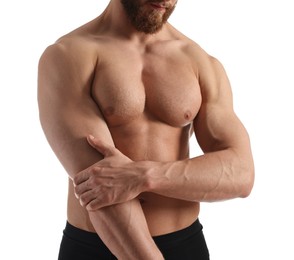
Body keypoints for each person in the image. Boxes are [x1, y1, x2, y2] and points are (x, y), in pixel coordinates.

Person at [38, 0, 255, 259]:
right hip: (97, 247)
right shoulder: (69, 55)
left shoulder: (200, 62)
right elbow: (98, 185)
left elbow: (240, 174)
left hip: (185, 244)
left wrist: (145, 175)